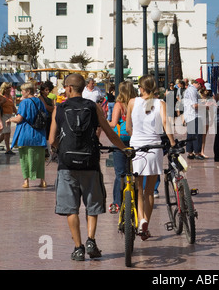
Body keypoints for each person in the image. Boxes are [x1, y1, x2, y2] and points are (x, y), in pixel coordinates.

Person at [49, 73, 127, 261]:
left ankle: (78, 248)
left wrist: (59, 150)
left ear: (68, 88)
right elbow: (110, 132)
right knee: (92, 205)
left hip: (67, 165)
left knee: (71, 208)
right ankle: (91, 239)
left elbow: (52, 139)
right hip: (90, 163)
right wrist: (124, 149)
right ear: (83, 88)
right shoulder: (93, 107)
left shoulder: (59, 108)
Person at [126, 75, 175, 240]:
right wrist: (173, 142)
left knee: (139, 189)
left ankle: (141, 221)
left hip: (137, 147)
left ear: (141, 87)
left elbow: (127, 127)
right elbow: (166, 125)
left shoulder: (132, 102)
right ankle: (146, 222)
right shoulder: (160, 104)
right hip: (154, 147)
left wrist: (137, 138)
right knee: (150, 190)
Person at [7, 82, 48, 188]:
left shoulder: (24, 103)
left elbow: (19, 118)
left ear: (28, 91)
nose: (21, 93)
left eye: (23, 91)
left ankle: (26, 181)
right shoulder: (39, 101)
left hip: (26, 133)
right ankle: (42, 181)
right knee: (39, 158)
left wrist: (10, 119)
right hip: (39, 134)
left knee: (24, 157)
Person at [108, 81, 137, 214]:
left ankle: (117, 202)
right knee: (133, 173)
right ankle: (135, 200)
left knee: (120, 174)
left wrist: (103, 122)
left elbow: (113, 123)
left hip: (121, 141)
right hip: (135, 140)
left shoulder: (118, 105)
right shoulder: (137, 103)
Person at [183, 78, 205, 160]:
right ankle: (197, 153)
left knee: (190, 134)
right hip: (194, 115)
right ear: (198, 84)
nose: (201, 88)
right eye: (201, 86)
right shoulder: (193, 91)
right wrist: (206, 106)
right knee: (197, 135)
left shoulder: (188, 89)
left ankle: (190, 152)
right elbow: (194, 105)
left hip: (189, 115)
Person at [0, 82, 17, 155]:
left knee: (4, 133)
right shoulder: (0, 96)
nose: (9, 89)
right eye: (7, 88)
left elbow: (12, 106)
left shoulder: (10, 96)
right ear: (4, 89)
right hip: (3, 115)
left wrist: (17, 113)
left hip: (9, 115)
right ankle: (8, 149)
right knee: (7, 132)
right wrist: (2, 101)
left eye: (9, 88)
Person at [38, 82, 55, 156]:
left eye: (49, 90)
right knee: (45, 133)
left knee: (49, 133)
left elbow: (53, 108)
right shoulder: (40, 98)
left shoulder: (50, 99)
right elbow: (47, 107)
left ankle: (49, 149)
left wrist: (52, 109)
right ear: (42, 90)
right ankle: (46, 149)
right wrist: (52, 108)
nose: (48, 92)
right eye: (46, 90)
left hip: (50, 118)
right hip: (44, 118)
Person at [199, 83, 215, 159]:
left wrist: (211, 119)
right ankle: (197, 151)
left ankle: (202, 151)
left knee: (204, 136)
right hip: (198, 118)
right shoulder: (198, 96)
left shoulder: (210, 98)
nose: (207, 92)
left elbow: (211, 109)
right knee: (198, 135)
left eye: (209, 90)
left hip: (206, 117)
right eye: (206, 90)